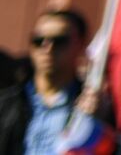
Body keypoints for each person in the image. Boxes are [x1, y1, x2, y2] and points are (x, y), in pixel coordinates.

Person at [0, 8, 90, 155]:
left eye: (59, 41)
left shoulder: (92, 106)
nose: (47, 48)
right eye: (38, 40)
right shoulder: (6, 104)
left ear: (81, 45)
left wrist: (97, 124)